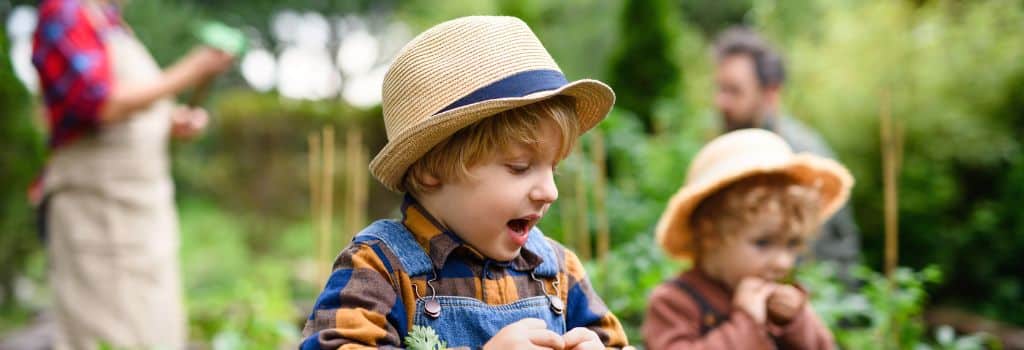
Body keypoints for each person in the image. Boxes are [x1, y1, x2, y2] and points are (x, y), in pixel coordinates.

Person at [300, 16, 630, 349]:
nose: (550, 192)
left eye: (553, 169)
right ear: (433, 169)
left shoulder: (557, 273)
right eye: (519, 167)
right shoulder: (380, 269)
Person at [30, 0, 233, 348]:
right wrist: (192, 69)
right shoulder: (64, 12)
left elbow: (133, 108)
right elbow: (101, 103)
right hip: (95, 207)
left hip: (141, 208)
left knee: (154, 326)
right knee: (103, 332)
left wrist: (170, 120)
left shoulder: (111, 24)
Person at [643, 129, 851, 349]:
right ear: (710, 234)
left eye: (792, 244)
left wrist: (795, 322)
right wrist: (747, 322)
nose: (783, 262)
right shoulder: (675, 303)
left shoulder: (782, 301)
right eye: (763, 243)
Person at [712, 27, 860, 275]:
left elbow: (814, 253)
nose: (721, 102)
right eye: (720, 89)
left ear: (770, 94)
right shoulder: (736, 144)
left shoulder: (798, 157)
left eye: (734, 91)